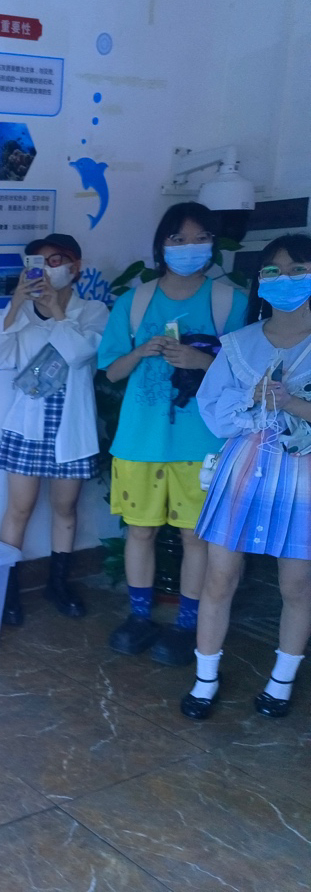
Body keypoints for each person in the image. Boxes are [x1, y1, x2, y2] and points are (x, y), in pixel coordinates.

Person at [98, 202, 248, 665]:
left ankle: (187, 624)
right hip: (139, 441)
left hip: (203, 444)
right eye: (178, 239)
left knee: (194, 538)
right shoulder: (134, 302)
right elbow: (112, 371)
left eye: (200, 238)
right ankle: (139, 617)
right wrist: (142, 350)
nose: (188, 248)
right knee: (139, 531)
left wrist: (201, 361)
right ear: (161, 245)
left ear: (213, 244)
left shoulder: (230, 301)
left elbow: (248, 375)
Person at [181, 234, 311, 719]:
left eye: (298, 269)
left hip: (302, 476)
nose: (285, 279)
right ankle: (204, 680)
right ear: (260, 280)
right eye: (273, 271)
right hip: (243, 469)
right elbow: (214, 415)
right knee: (219, 576)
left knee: (297, 585)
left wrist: (293, 403)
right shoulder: (239, 343)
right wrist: (251, 399)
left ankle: (281, 682)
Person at [0, 234, 108, 624]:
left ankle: (58, 583)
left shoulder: (93, 311)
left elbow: (80, 354)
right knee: (19, 508)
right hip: (27, 426)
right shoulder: (22, 312)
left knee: (65, 508)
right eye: (38, 263)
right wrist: (16, 304)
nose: (47, 269)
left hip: (71, 426)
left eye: (56, 261)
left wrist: (57, 310)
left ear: (75, 267)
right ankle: (7, 591)